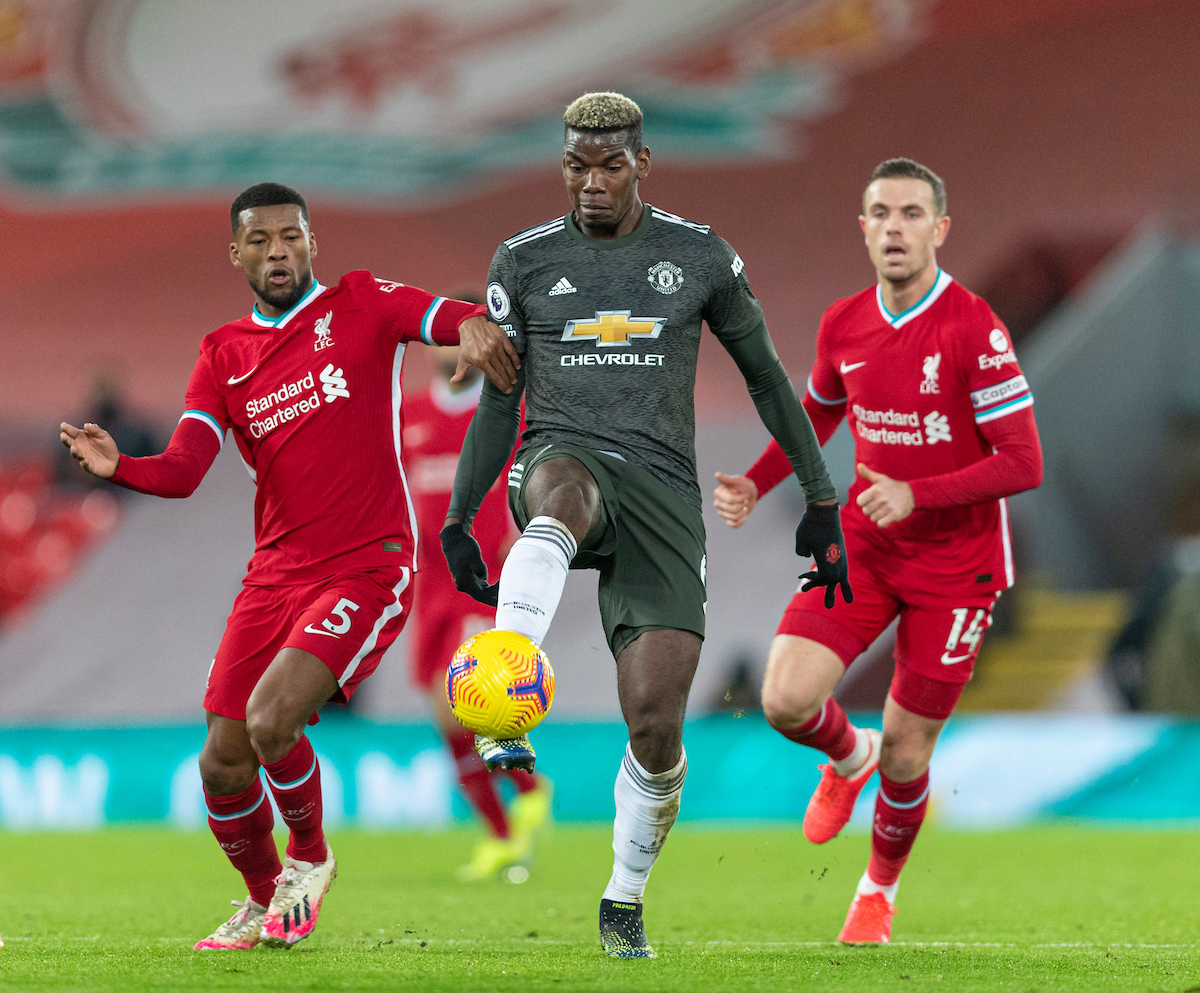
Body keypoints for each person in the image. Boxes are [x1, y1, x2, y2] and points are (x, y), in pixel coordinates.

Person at [439, 92, 849, 958]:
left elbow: (771, 379)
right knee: (560, 497)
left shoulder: (699, 256)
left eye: (609, 165)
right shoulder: (522, 260)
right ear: (562, 165)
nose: (591, 183)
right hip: (563, 453)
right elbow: (498, 403)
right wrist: (457, 516)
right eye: (576, 166)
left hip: (663, 489)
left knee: (655, 725)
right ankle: (503, 702)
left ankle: (622, 899)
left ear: (642, 163)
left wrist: (820, 497)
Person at [59, 182, 516, 951]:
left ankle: (309, 857)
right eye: (262, 241)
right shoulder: (222, 354)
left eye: (292, 237)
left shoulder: (361, 303)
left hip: (367, 567)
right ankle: (262, 897)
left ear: (312, 243)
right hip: (273, 576)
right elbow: (183, 468)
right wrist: (120, 467)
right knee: (221, 761)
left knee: (273, 720)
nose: (279, 252)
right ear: (236, 252)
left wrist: (473, 329)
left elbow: (444, 316)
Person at [713, 158, 1044, 943]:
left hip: (957, 565)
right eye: (880, 214)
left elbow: (1024, 461)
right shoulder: (844, 323)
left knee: (909, 749)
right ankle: (845, 754)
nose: (895, 227)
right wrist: (760, 484)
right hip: (866, 542)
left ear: (939, 229)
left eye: (911, 213)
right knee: (785, 700)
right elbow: (813, 418)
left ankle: (875, 893)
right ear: (863, 228)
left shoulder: (974, 326)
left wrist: (917, 494)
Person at [404, 342, 552, 881]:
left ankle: (523, 798)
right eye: (446, 339)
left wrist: (524, 534)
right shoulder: (410, 415)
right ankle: (506, 827)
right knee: (441, 713)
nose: (456, 352)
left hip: (482, 579)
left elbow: (537, 482)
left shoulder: (506, 414)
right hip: (428, 585)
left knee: (466, 702)